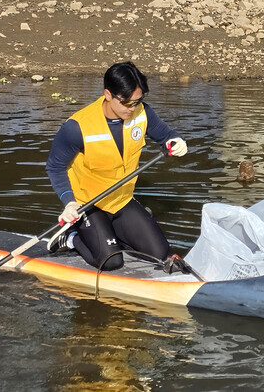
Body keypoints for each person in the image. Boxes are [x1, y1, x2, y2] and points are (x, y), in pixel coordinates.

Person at [45, 61, 188, 270]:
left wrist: (175, 141)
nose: (133, 108)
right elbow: (55, 167)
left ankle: (108, 236)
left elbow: (166, 135)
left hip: (120, 200)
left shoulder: (142, 113)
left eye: (137, 101)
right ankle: (71, 237)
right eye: (127, 103)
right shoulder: (77, 127)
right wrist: (69, 203)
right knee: (111, 261)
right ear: (108, 94)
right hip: (87, 205)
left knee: (159, 254)